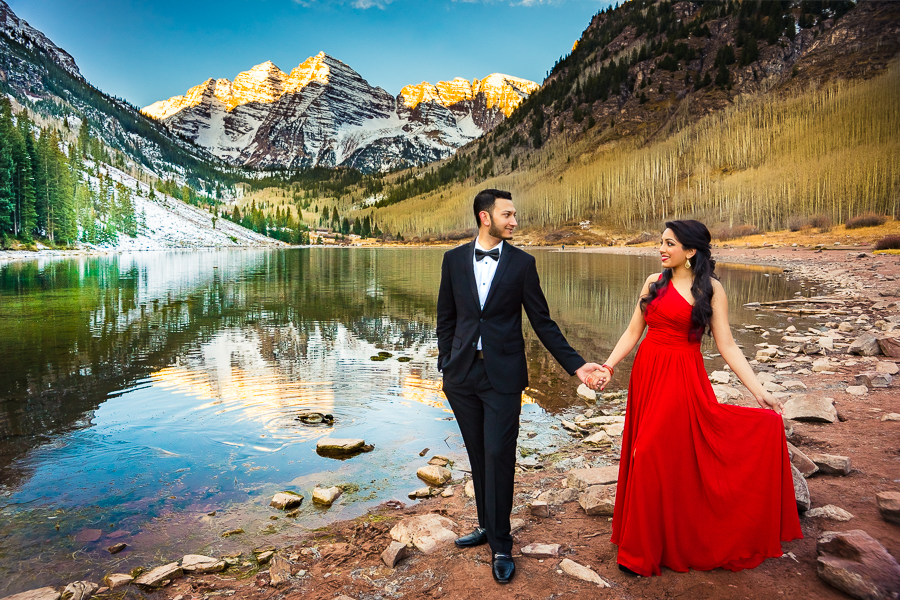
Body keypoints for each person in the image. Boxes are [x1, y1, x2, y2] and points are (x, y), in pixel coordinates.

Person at [585, 219, 802, 577]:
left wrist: (759, 391)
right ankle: (654, 542)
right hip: (648, 373)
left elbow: (727, 345)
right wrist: (608, 366)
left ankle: (642, 554)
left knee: (650, 451)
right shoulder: (653, 283)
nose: (661, 249)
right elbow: (632, 331)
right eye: (661, 242)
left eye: (669, 244)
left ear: (691, 251)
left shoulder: (711, 290)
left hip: (682, 377)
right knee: (658, 456)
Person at [436, 189, 602, 584]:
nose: (514, 221)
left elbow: (543, 322)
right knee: (477, 454)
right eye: (507, 214)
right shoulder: (453, 259)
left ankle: (502, 544)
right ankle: (485, 527)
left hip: (503, 379)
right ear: (484, 217)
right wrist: (446, 363)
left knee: (499, 455)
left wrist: (576, 366)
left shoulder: (523, 264)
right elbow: (446, 316)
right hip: (461, 377)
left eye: (514, 215)